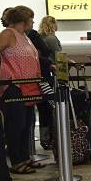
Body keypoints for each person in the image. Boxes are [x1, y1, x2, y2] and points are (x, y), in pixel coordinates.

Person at [0, 6, 43, 175]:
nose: (33, 21)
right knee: (16, 125)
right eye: (31, 18)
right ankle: (17, 161)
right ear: (23, 20)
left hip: (29, 86)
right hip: (14, 86)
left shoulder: (25, 36)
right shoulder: (7, 34)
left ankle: (25, 158)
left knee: (27, 124)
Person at [38, 15, 62, 148]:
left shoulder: (40, 38)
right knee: (53, 106)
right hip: (51, 74)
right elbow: (59, 55)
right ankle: (51, 138)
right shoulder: (52, 38)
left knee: (43, 107)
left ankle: (44, 138)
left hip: (41, 76)